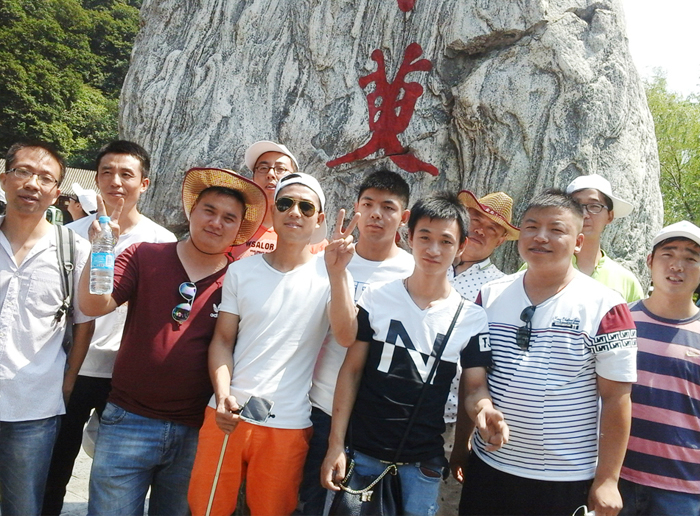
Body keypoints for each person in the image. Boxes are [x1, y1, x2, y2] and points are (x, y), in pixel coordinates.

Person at [80, 167, 266, 516]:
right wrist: (102, 246)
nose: (216, 223)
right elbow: (93, 305)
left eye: (229, 217)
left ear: (240, 228)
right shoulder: (145, 255)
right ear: (192, 211)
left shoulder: (240, 279)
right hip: (128, 419)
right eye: (209, 210)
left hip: (197, 429)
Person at [321, 193, 508, 516]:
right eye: (425, 237)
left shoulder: (471, 318)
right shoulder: (377, 298)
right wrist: (335, 445)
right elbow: (351, 371)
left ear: (461, 246)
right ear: (409, 238)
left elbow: (475, 387)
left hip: (422, 464)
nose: (434, 250)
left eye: (446, 241)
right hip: (360, 454)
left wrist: (486, 410)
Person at [460, 189, 638, 516]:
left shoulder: (607, 306)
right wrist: (471, 430)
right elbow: (474, 383)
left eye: (556, 229)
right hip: (491, 466)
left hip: (566, 478)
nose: (541, 237)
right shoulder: (489, 296)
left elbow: (616, 398)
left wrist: (608, 479)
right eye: (531, 226)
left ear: (578, 242)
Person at [188, 172, 354, 516]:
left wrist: (337, 273)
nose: (294, 212)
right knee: (205, 509)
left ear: (319, 219)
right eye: (285, 203)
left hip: (288, 423)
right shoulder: (241, 271)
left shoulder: (332, 274)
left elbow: (345, 335)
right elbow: (222, 340)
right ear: (272, 211)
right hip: (226, 414)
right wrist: (222, 395)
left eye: (306, 207)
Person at [42, 141, 177, 515]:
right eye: (107, 172)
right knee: (55, 467)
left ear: (144, 184)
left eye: (126, 174)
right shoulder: (68, 235)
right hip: (69, 368)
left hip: (124, 375)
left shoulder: (162, 242)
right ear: (97, 178)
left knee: (115, 475)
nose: (116, 181)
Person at [299, 169, 415, 515]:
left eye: (388, 207)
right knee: (309, 504)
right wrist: (336, 270)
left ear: (404, 217)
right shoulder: (325, 262)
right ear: (356, 208)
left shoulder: (413, 272)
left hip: (375, 417)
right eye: (368, 204)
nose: (376, 214)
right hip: (319, 406)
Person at [0, 141, 94, 516]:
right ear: (4, 179)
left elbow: (84, 324)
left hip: (34, 409)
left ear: (56, 193)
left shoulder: (74, 250)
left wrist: (67, 383)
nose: (32, 184)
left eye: (45, 178)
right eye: (22, 171)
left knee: (23, 507)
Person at [444, 190, 519, 515]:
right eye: (476, 218)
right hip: (404, 406)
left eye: (492, 227)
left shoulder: (501, 290)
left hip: (457, 417)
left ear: (501, 240)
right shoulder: (430, 265)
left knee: (445, 503)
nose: (480, 229)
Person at [619, 221, 700, 516]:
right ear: (650, 261)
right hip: (615, 477)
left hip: (683, 489)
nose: (677, 265)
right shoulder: (619, 321)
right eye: (668, 254)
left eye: (691, 258)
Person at [229, 140, 326, 259]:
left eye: (280, 169)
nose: (270, 174)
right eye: (263, 168)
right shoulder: (234, 227)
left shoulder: (313, 239)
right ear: (252, 178)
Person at [566, 174, 644, 302]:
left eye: (594, 206)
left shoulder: (626, 282)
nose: (584, 214)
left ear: (609, 216)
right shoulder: (542, 268)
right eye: (576, 206)